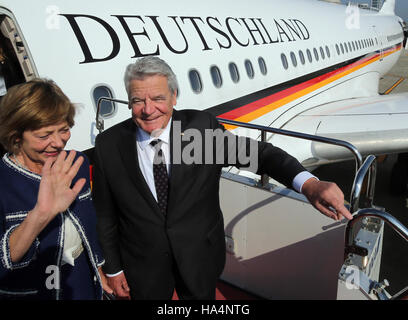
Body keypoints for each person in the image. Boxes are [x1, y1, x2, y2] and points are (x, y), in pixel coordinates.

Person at [93, 56, 353, 300]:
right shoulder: (109, 145)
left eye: (158, 98)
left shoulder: (200, 131)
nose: (149, 110)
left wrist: (309, 184)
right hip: (142, 264)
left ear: (174, 97)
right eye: (138, 100)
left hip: (199, 257)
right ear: (129, 101)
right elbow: (105, 215)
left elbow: (261, 155)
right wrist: (113, 269)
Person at [0, 79, 107, 300]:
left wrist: (99, 268)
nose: (58, 143)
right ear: (16, 135)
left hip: (81, 283)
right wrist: (40, 215)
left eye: (64, 130)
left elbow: (88, 224)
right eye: (44, 135)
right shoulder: (5, 183)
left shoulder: (75, 164)